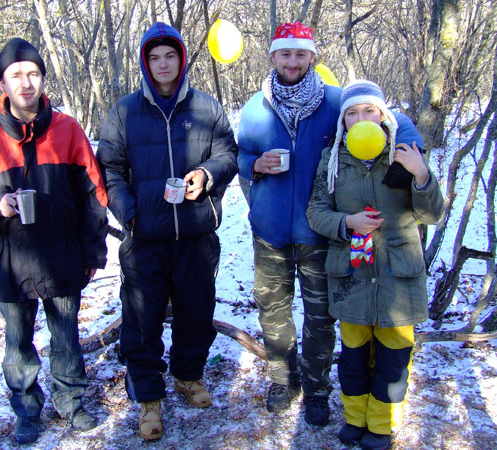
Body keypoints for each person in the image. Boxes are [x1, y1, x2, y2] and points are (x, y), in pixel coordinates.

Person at [237, 22, 423, 426]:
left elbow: (396, 120)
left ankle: (317, 388)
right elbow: (240, 154)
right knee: (273, 310)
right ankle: (283, 381)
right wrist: (253, 164)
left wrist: (411, 154)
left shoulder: (336, 101)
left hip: (319, 233)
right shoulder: (254, 107)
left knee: (320, 317)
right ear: (272, 58)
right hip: (268, 232)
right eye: (285, 53)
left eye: (301, 54)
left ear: (313, 59)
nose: (292, 61)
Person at [0, 38, 109, 444]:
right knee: (18, 343)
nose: (25, 83)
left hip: (62, 256)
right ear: (2, 84)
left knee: (66, 336)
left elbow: (94, 195)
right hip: (10, 261)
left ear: (42, 79)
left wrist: (93, 251)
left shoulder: (67, 130)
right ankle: (26, 408)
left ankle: (71, 402)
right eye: (16, 75)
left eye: (33, 74)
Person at [97, 22, 238, 441]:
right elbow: (110, 168)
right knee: (142, 322)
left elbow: (228, 154)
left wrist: (206, 175)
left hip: (196, 234)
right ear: (146, 63)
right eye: (155, 57)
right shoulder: (125, 111)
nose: (163, 64)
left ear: (181, 59)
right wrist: (130, 214)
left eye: (170, 56)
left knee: (196, 313)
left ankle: (189, 376)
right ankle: (149, 397)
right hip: (144, 238)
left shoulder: (206, 107)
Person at [306, 80, 444, 450]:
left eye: (368, 110)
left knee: (393, 358)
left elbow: (431, 214)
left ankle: (381, 426)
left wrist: (421, 175)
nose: (360, 117)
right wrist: (347, 224)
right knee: (352, 357)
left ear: (383, 115)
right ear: (343, 121)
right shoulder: (332, 158)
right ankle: (355, 419)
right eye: (351, 112)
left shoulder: (403, 154)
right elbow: (316, 212)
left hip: (398, 277)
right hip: (352, 276)